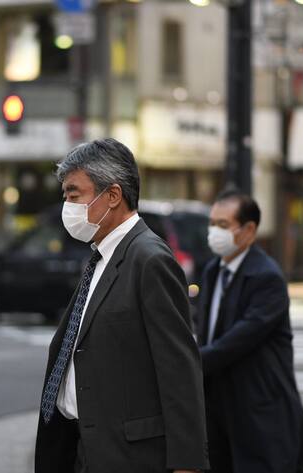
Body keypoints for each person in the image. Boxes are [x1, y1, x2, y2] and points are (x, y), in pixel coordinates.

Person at [35, 138, 208, 473]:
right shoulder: (101, 256)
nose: (68, 206)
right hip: (84, 449)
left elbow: (179, 370)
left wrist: (187, 464)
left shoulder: (150, 259)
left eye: (74, 194)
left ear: (112, 196)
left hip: (131, 457)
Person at [195, 189, 303, 473]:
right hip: (217, 408)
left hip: (259, 408)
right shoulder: (213, 271)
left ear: (249, 230)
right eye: (212, 224)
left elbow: (239, 338)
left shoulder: (267, 277)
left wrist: (192, 361)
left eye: (223, 225)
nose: (214, 232)